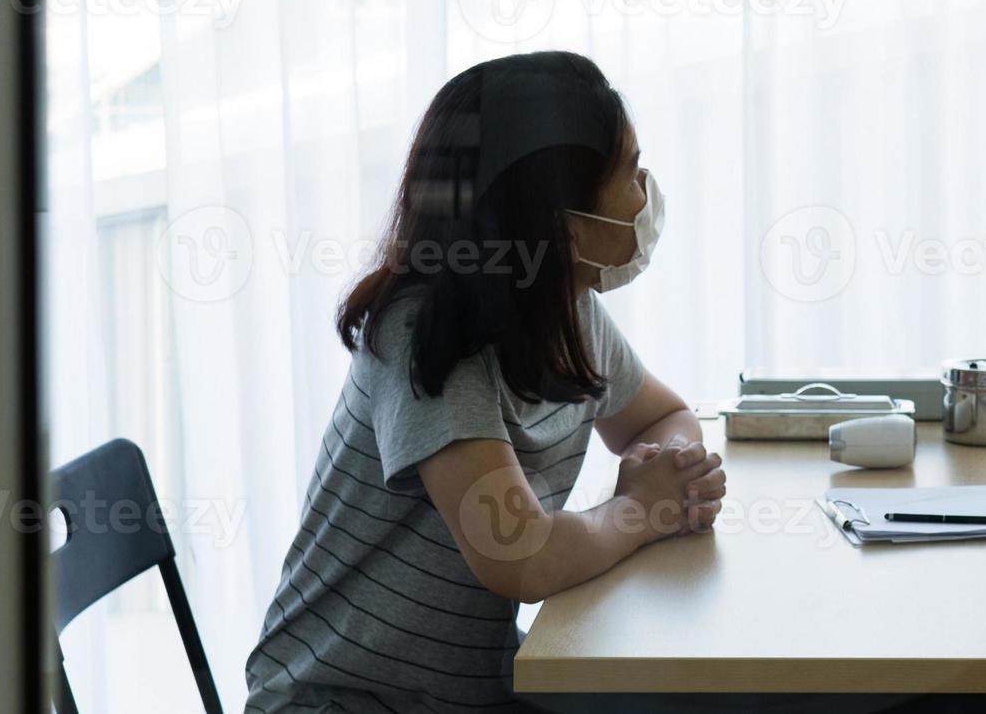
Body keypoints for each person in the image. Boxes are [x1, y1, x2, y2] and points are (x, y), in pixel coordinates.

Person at [247, 51, 727, 713]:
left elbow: (659, 415)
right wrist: (643, 510)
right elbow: (520, 554)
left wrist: (665, 465)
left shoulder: (562, 304)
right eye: (630, 171)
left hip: (465, 691)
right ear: (559, 220)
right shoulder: (425, 340)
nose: (647, 190)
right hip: (346, 701)